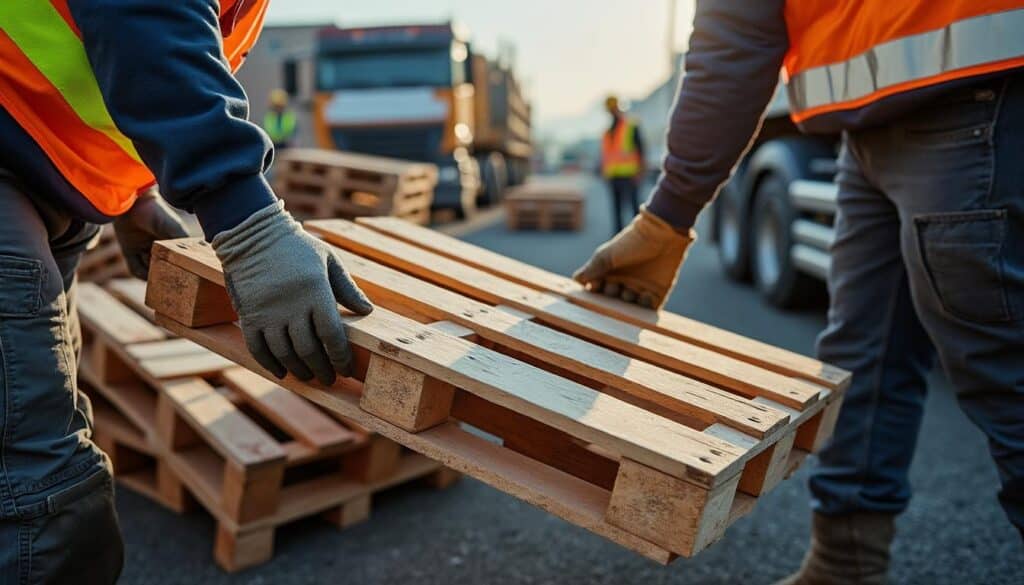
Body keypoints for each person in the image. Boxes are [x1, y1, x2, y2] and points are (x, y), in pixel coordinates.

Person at [574, 2, 1024, 583]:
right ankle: (844, 564)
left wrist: (670, 212)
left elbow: (736, 33)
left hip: (980, 100)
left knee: (1006, 373)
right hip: (868, 131)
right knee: (862, 356)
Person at [0, 1, 372, 582]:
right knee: (43, 502)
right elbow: (142, 14)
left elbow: (127, 47)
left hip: (42, 176)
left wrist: (136, 197)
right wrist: (246, 222)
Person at [601, 95, 647, 233]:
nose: (613, 112)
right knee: (616, 209)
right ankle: (618, 236)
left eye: (614, 108)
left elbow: (641, 150)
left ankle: (638, 235)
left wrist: (640, 171)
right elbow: (607, 156)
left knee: (634, 207)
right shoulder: (608, 132)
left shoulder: (631, 126)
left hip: (630, 175)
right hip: (614, 176)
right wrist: (605, 173)